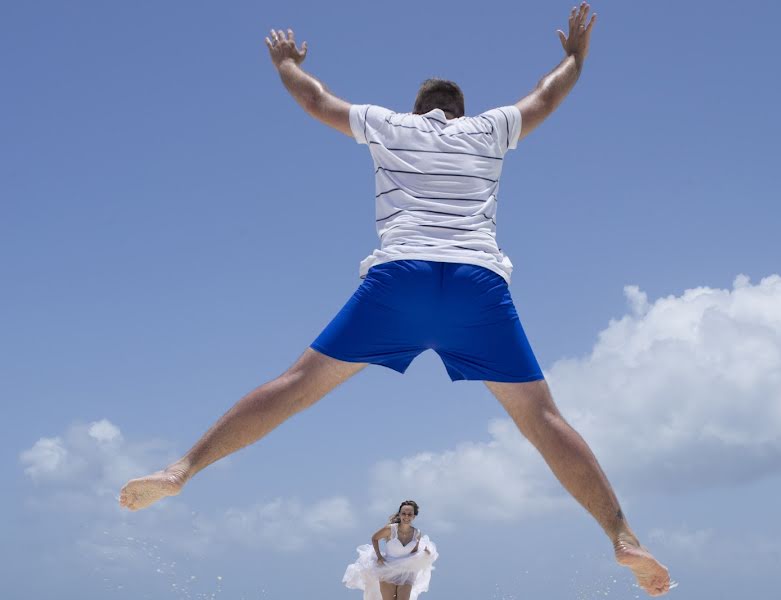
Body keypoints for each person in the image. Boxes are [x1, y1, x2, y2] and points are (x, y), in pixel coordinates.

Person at [118, 3, 670, 596]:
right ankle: (621, 535)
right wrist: (574, 57)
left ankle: (182, 469)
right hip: (474, 285)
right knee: (542, 419)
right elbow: (545, 96)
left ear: (420, 109)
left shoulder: (390, 126)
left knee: (295, 386)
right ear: (461, 111)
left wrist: (286, 65)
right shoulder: (490, 129)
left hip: (398, 280)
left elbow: (316, 101)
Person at [343, 500, 438, 600]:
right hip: (388, 569)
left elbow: (413, 553)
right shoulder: (391, 529)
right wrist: (379, 556)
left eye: (410, 514)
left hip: (406, 572)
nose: (406, 516)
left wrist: (424, 553)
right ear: (400, 514)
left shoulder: (417, 533)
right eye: (404, 513)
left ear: (414, 516)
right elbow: (375, 538)